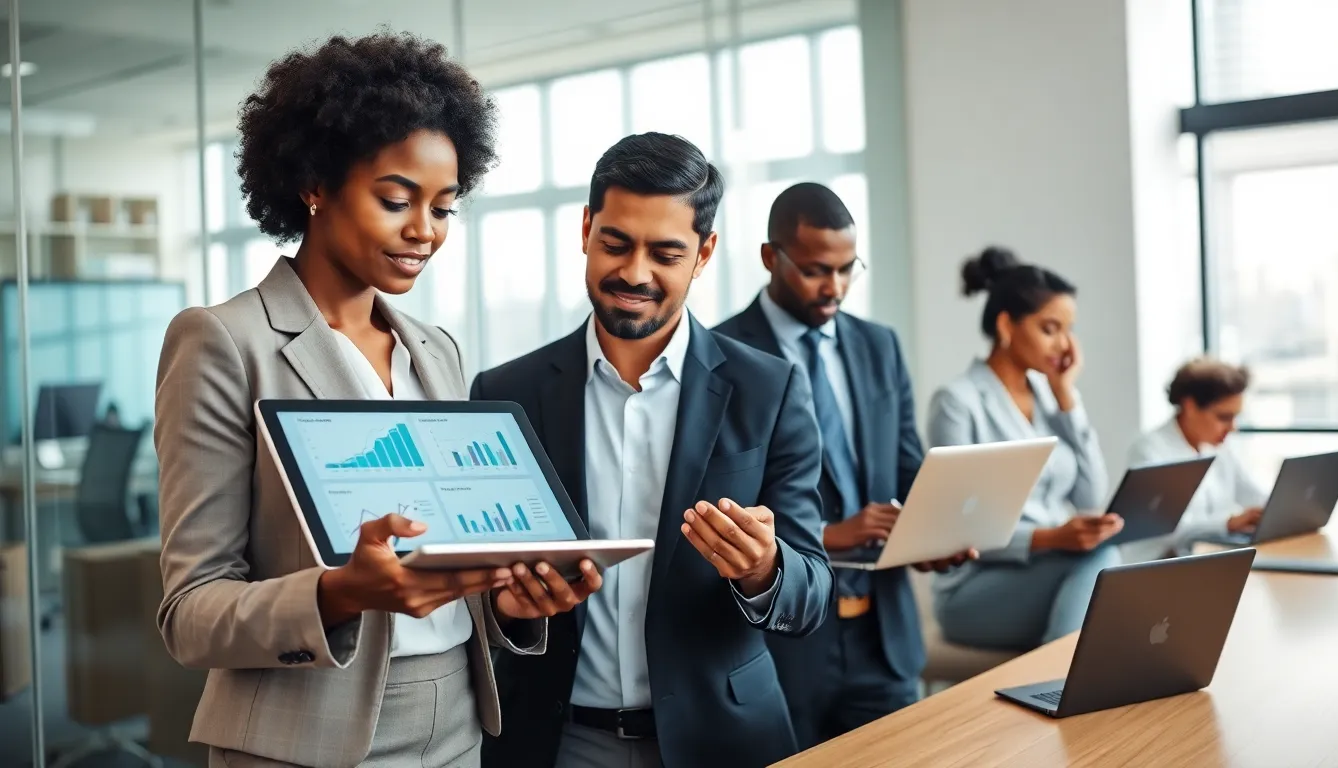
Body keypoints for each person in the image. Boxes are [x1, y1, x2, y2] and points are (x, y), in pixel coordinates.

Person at [153, 33, 599, 768]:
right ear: (315, 183)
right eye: (396, 200)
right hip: (305, 732)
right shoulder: (224, 341)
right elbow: (189, 614)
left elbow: (444, 561)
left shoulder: (438, 350)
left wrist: (508, 602)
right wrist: (337, 594)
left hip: (456, 716)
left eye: (445, 207)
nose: (424, 230)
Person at [472, 133, 833, 768]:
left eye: (665, 253)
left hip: (723, 739)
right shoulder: (506, 394)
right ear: (586, 228)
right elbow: (479, 589)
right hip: (553, 740)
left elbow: (811, 590)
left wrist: (761, 568)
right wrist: (510, 606)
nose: (634, 273)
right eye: (615, 243)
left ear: (704, 253)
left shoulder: (768, 390)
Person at [715, 182, 972, 747]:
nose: (833, 287)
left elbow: (907, 467)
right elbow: (719, 505)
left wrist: (933, 533)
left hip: (884, 635)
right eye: (813, 270)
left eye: (846, 268)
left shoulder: (879, 346)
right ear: (769, 257)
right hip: (780, 644)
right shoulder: (721, 355)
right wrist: (830, 535)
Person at [926, 246, 1122, 651]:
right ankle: (1060, 683)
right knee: (1101, 562)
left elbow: (1090, 497)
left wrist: (1067, 396)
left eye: (1070, 331)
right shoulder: (957, 401)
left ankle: (1063, 676)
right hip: (975, 588)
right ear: (1006, 326)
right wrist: (1050, 538)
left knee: (1106, 558)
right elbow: (961, 528)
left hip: (1052, 569)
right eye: (1051, 329)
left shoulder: (1050, 397)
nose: (1066, 346)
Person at [1125, 358, 1265, 558]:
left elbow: (1253, 494)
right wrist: (1228, 523)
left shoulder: (1219, 449)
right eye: (1224, 417)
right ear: (1189, 407)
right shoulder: (1149, 450)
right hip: (1162, 565)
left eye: (1235, 417)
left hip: (1210, 556)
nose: (1232, 428)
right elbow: (1162, 528)